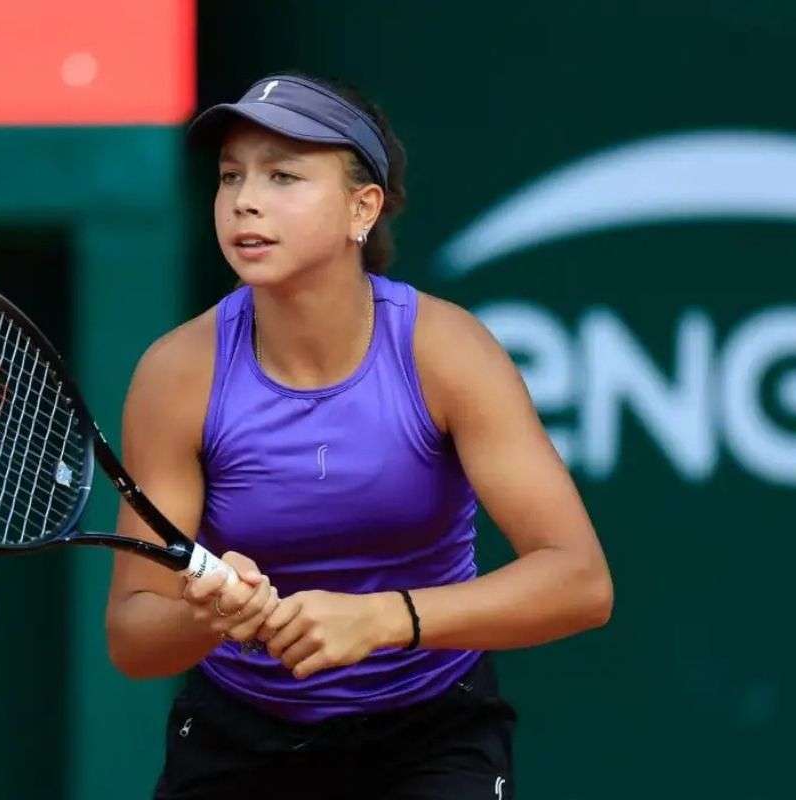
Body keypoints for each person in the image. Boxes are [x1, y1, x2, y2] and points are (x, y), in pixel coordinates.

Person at [104, 70, 614, 800]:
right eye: (230, 176)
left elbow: (579, 581)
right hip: (242, 733)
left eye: (283, 176)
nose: (245, 199)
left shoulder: (446, 351)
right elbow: (133, 636)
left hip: (430, 730)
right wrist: (209, 613)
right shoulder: (177, 374)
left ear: (361, 208)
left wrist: (383, 619)